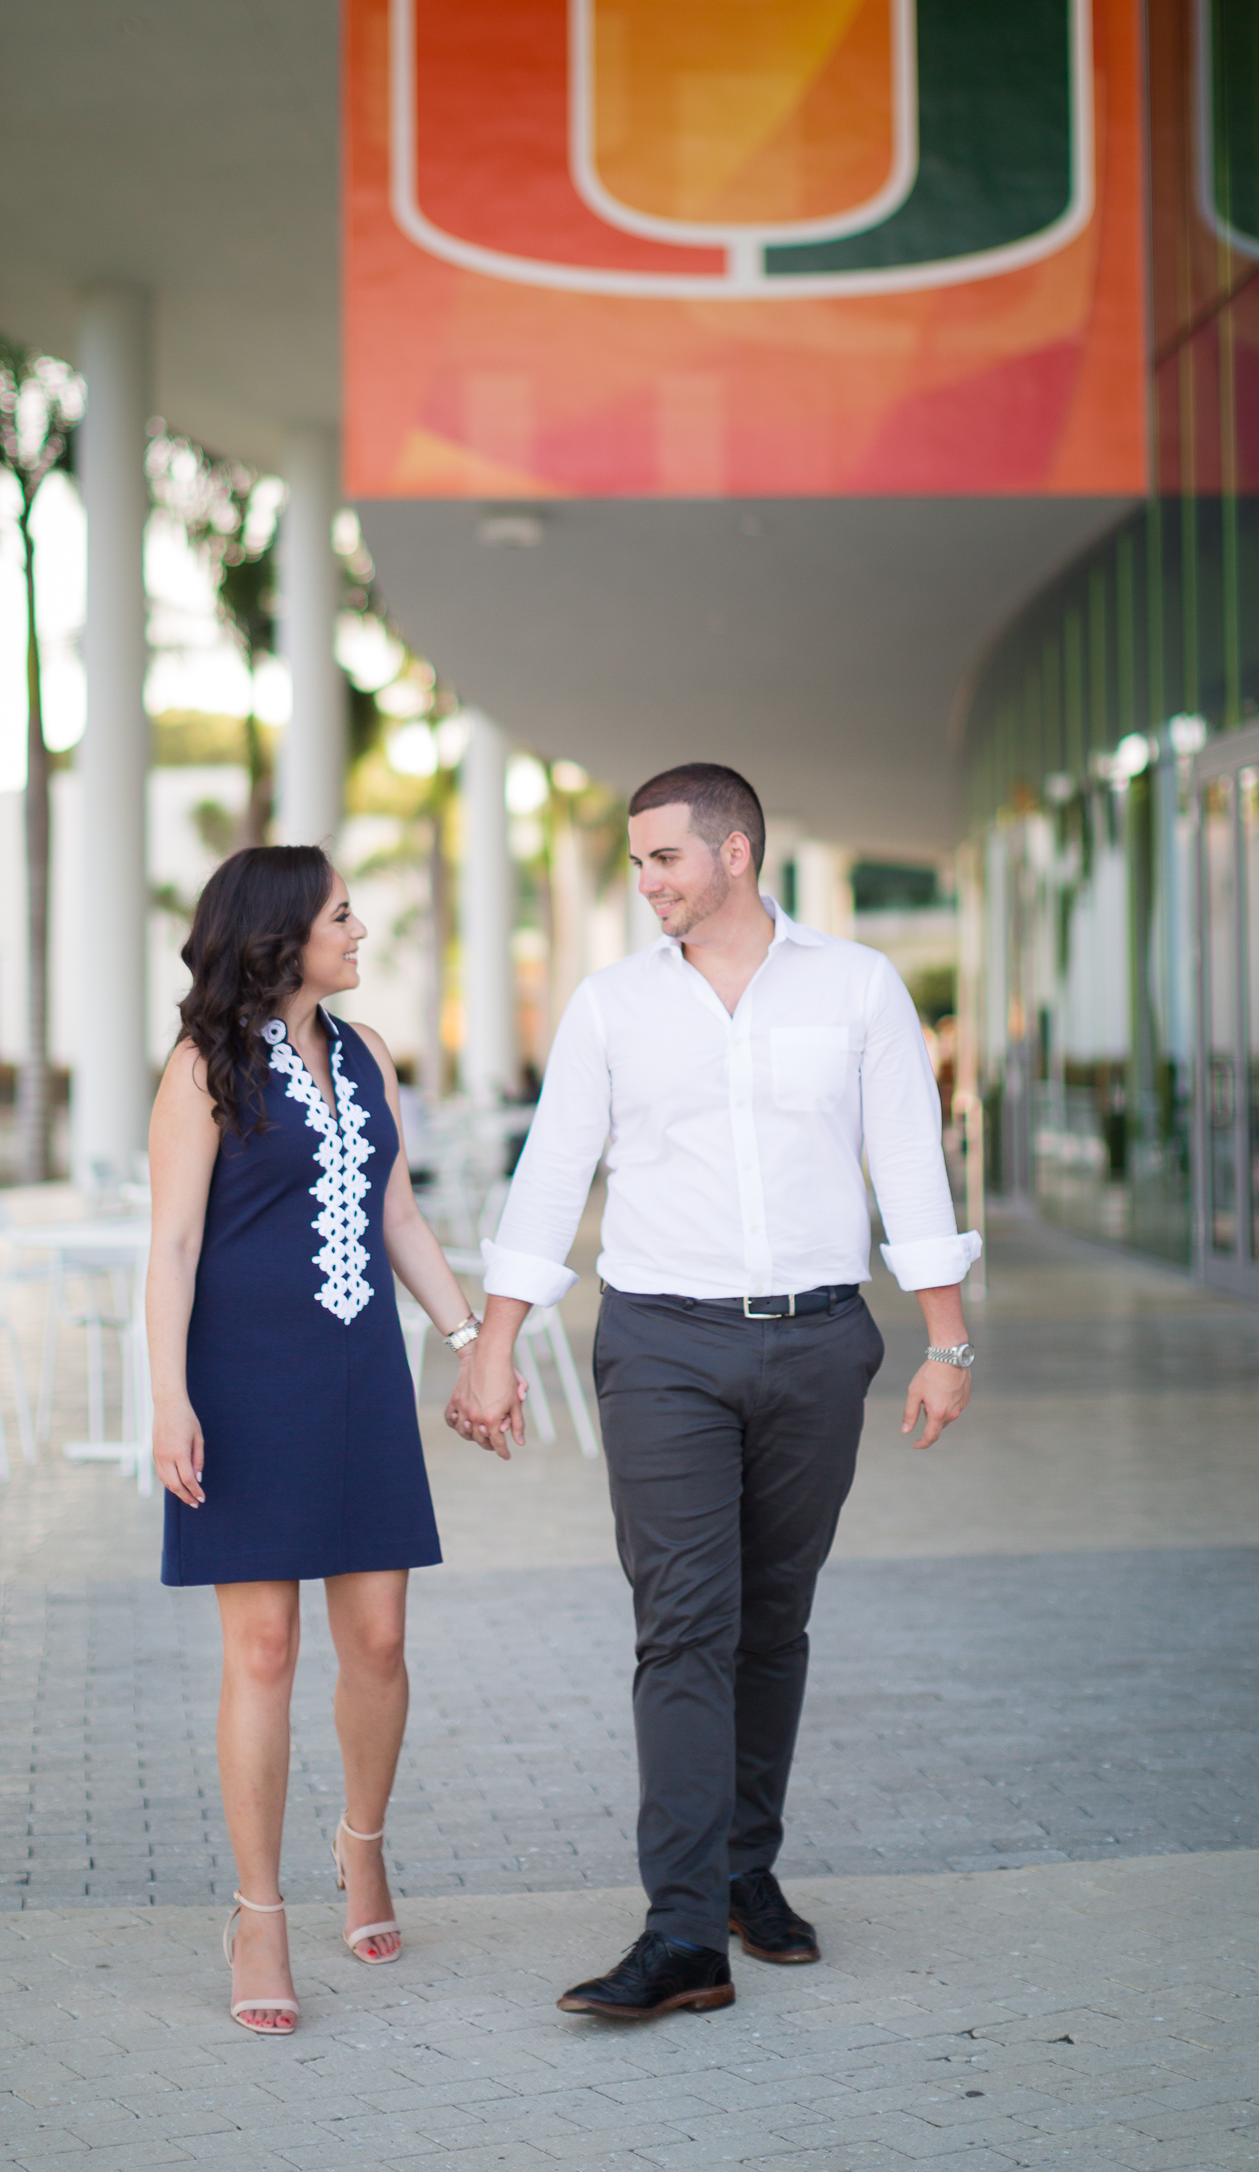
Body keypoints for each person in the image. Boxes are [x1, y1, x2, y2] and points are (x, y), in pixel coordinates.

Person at [451, 763, 979, 2021]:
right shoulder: (610, 1006)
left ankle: (748, 1869)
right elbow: (550, 1171)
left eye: (662, 860)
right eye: (636, 863)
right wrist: (494, 1339)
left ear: (733, 850)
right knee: (683, 1623)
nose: (645, 885)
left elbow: (908, 1159)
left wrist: (945, 1343)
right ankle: (682, 1929)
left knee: (771, 1616)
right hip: (662, 1347)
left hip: (816, 1341)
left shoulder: (854, 984)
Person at [148, 844, 503, 2036]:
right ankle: (259, 1910)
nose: (359, 933)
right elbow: (174, 1246)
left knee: (382, 1641)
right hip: (240, 1385)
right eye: (342, 915)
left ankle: (361, 1843)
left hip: (358, 1378)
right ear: (281, 932)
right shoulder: (201, 1065)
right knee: (261, 1651)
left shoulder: (368, 1055)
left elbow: (395, 1210)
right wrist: (167, 1397)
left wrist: (467, 1339)